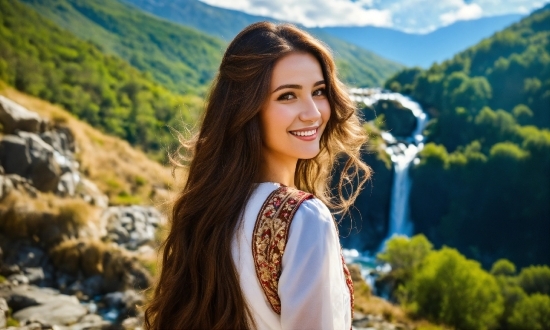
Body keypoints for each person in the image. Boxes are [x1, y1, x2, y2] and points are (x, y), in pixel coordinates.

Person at [145, 21, 371, 329]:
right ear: (247, 109)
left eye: (318, 91)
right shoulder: (304, 219)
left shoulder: (208, 212)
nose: (313, 112)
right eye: (287, 96)